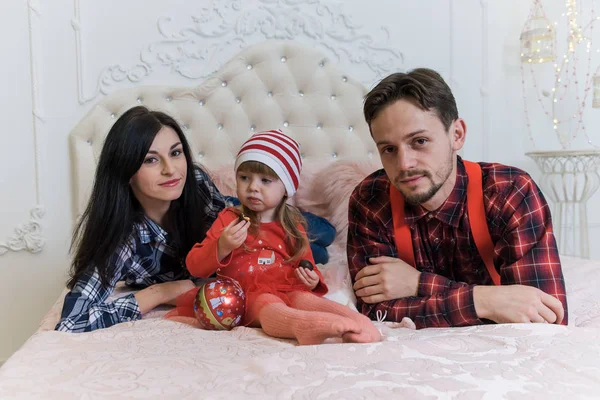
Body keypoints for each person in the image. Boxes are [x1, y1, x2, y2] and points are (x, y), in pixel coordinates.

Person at [347, 68, 568, 329]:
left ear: (457, 135)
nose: (404, 164)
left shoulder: (510, 191)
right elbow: (377, 312)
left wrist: (418, 283)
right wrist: (487, 302)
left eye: (419, 141)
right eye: (389, 149)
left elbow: (545, 316)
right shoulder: (371, 199)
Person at [170, 129, 383, 345]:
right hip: (246, 295)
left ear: (286, 188)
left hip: (287, 286)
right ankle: (303, 326)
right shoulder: (229, 218)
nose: (253, 187)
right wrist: (222, 245)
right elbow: (195, 266)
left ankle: (358, 321)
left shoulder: (293, 223)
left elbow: (306, 262)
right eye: (244, 178)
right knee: (267, 303)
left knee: (304, 298)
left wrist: (312, 279)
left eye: (265, 180)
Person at [56, 106, 226, 332]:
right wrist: (160, 293)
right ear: (126, 171)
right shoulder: (124, 237)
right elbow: (72, 321)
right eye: (151, 160)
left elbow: (243, 227)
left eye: (175, 153)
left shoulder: (197, 184)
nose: (170, 170)